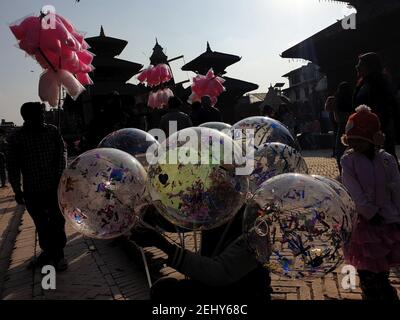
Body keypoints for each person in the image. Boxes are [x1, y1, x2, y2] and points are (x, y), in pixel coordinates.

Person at [131, 205, 272, 301]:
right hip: (217, 287)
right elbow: (184, 222)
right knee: (163, 289)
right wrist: (152, 216)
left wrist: (163, 245)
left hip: (243, 292)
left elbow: (219, 272)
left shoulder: (255, 223)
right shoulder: (220, 208)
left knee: (166, 293)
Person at [341, 105, 400, 300]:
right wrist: (368, 211)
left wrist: (396, 213)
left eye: (359, 140)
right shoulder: (348, 161)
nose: (355, 145)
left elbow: (396, 188)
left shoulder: (387, 160)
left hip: (386, 222)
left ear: (372, 139)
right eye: (352, 141)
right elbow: (353, 191)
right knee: (367, 270)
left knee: (381, 268)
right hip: (363, 225)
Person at [6, 102, 68, 271]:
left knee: (58, 221)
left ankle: (58, 255)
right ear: (27, 117)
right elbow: (12, 166)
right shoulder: (16, 138)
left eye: (43, 113)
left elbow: (62, 154)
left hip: (54, 188)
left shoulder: (52, 131)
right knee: (42, 224)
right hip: (32, 191)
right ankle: (48, 254)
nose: (43, 116)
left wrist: (59, 175)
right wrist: (17, 190)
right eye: (39, 114)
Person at [353, 52, 399, 165]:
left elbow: (382, 108)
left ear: (369, 66)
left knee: (384, 161)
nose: (357, 67)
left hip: (376, 130)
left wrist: (376, 129)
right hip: (366, 130)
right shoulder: (364, 83)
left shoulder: (378, 82)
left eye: (360, 64)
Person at [334, 82, 353, 173]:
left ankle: (342, 171)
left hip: (342, 126)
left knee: (340, 150)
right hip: (353, 125)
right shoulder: (353, 98)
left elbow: (337, 118)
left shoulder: (337, 100)